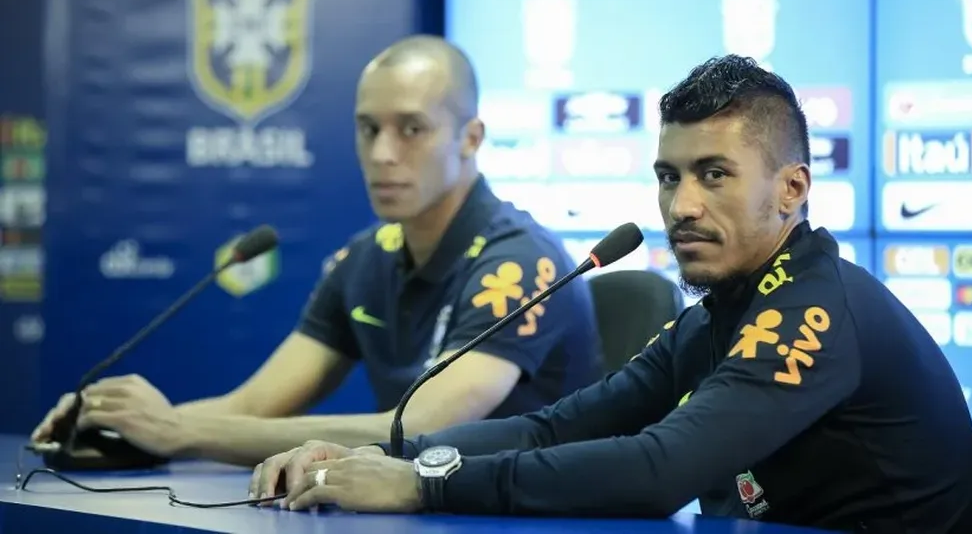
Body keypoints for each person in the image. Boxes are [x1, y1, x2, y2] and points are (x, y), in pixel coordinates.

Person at [248, 55, 972, 533]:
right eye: (670, 176)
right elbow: (551, 430)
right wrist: (380, 451)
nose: (682, 205)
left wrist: (423, 484)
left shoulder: (814, 309)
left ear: (792, 188)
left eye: (714, 174)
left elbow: (659, 469)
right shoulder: (717, 316)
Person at [31, 35, 604, 467]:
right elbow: (254, 403)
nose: (381, 153)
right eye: (367, 128)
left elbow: (420, 429)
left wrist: (177, 432)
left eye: (411, 129)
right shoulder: (363, 259)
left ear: (470, 138)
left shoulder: (524, 263)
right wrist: (123, 425)